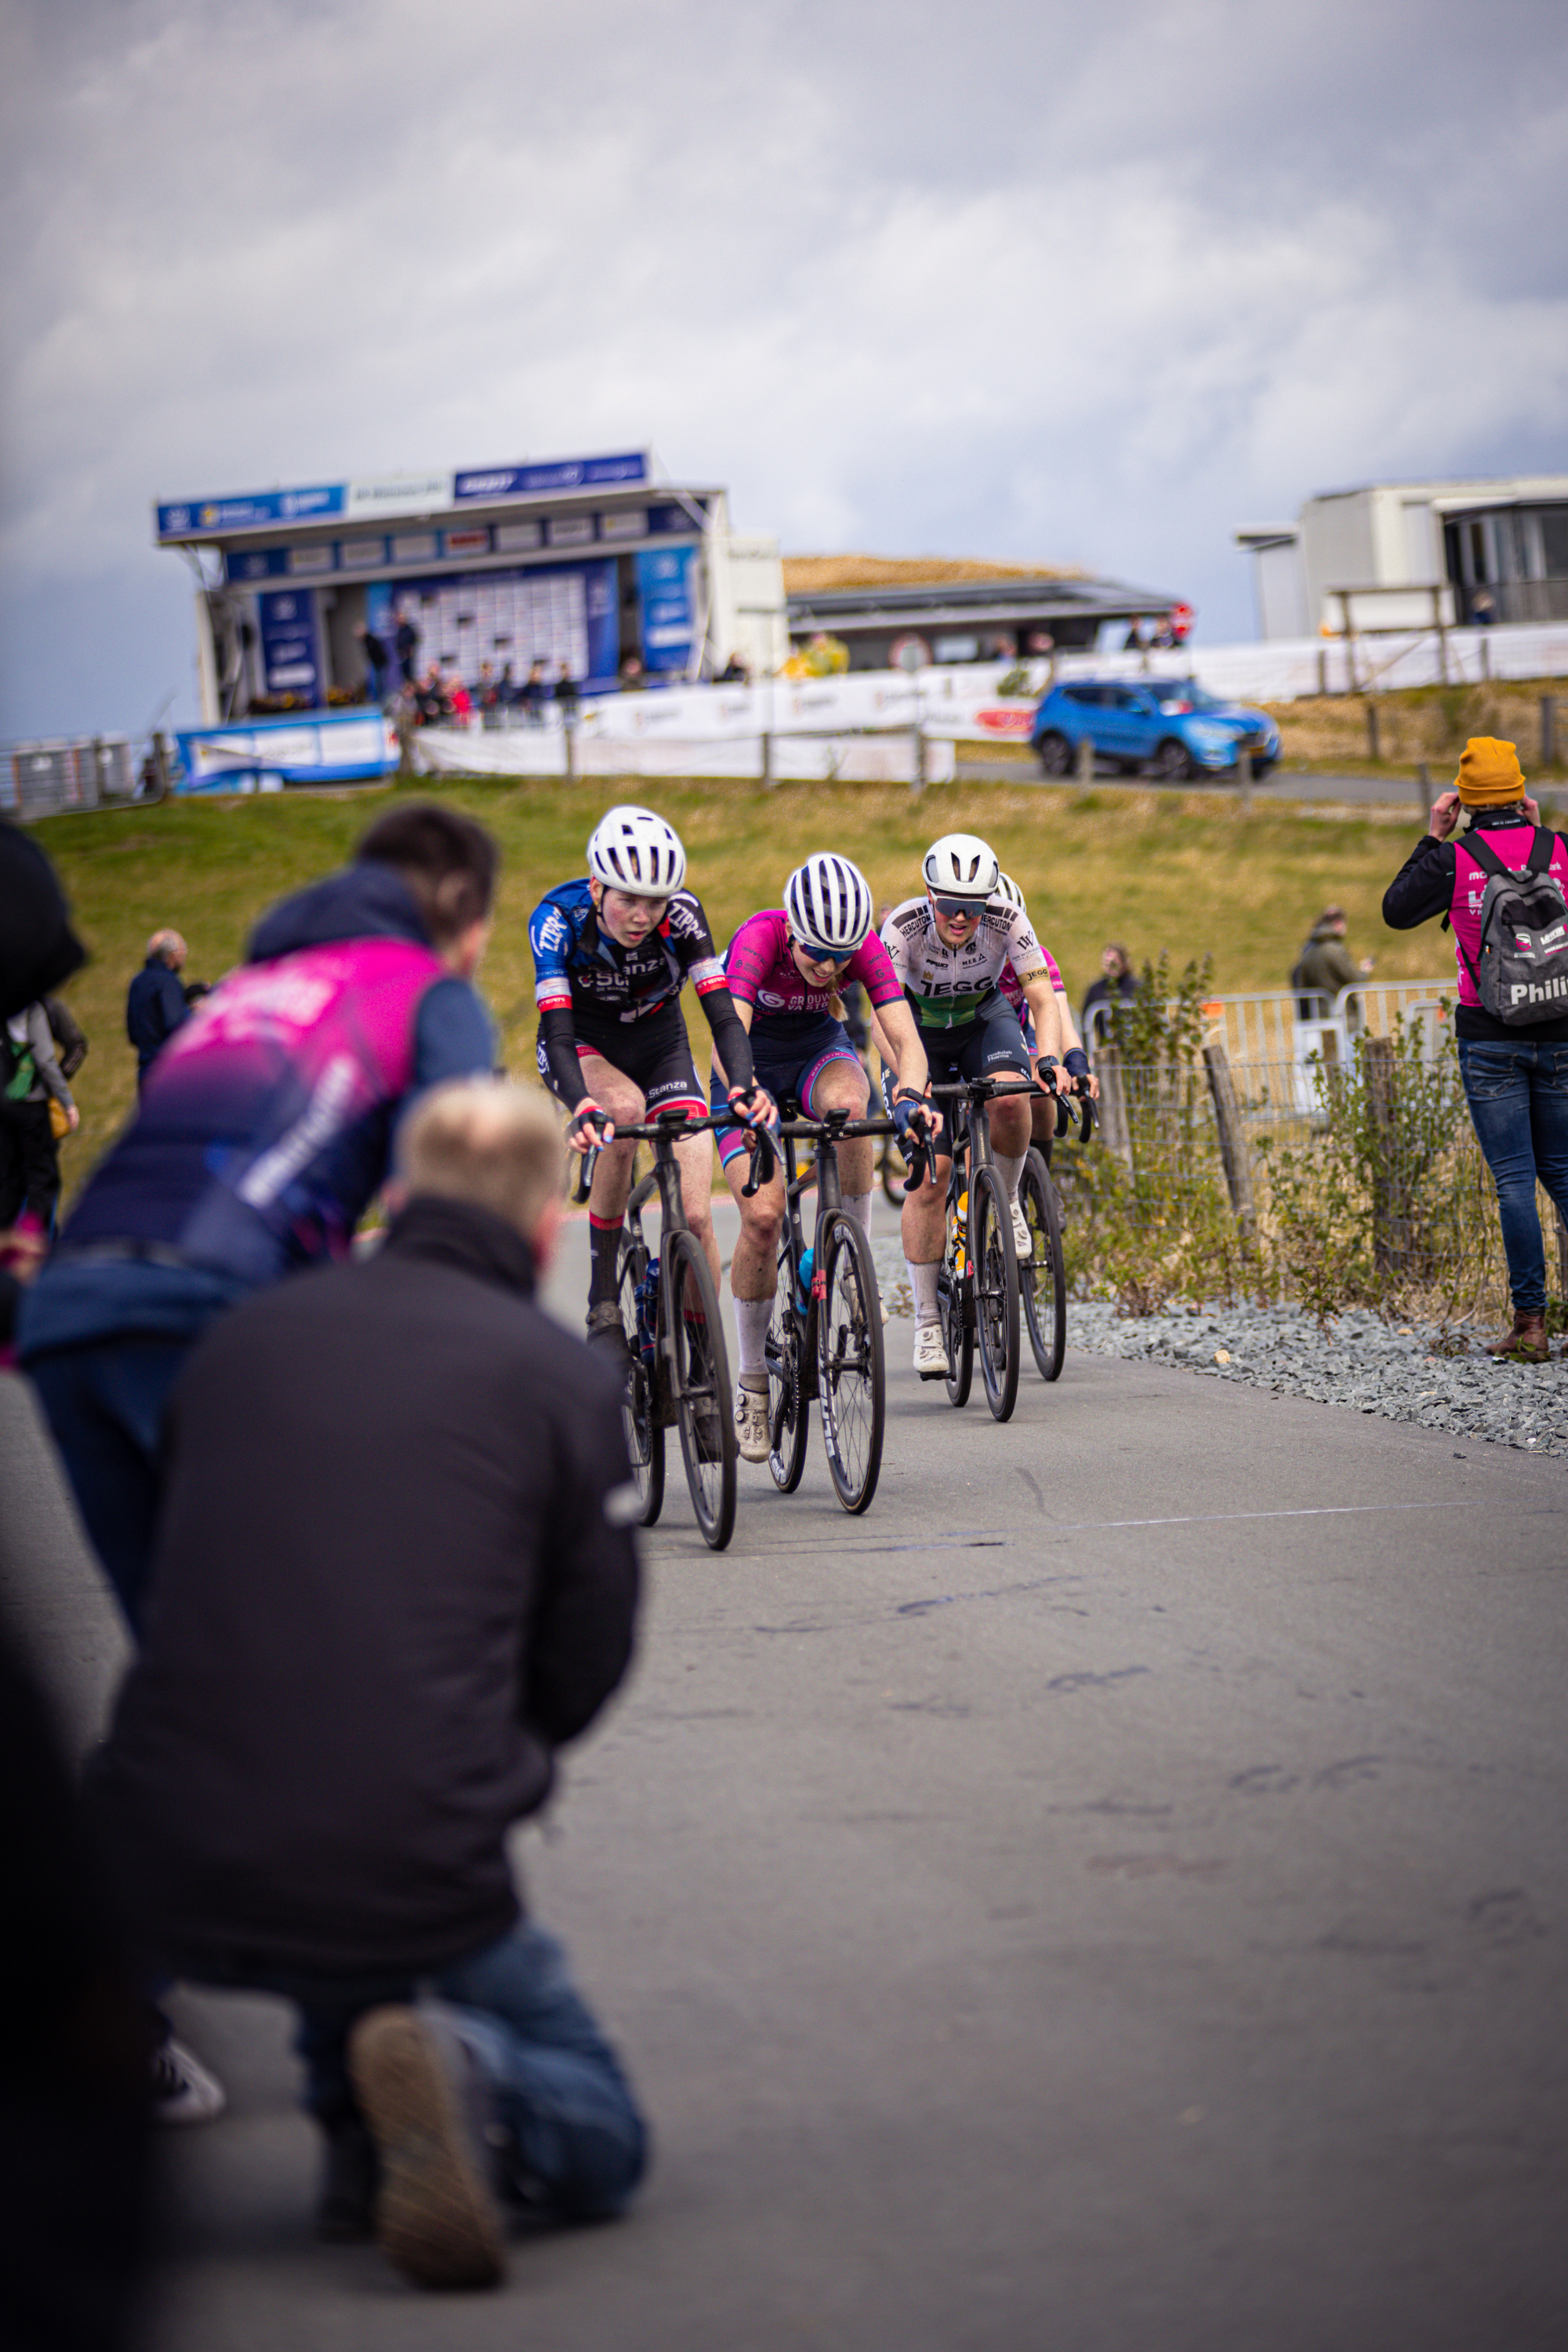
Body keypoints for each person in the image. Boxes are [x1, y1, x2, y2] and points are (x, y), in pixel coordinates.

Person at [88, 1080, 647, 2288]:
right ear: (544, 1222)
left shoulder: (243, 1340)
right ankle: (465, 2079)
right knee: (603, 2131)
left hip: (169, 1850)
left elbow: (174, 1568)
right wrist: (499, 1758)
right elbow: (591, 1642)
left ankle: (362, 2129)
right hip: (408, 1848)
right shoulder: (560, 1382)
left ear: (396, 1196)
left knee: (342, 1914)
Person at [20, 802, 499, 1635]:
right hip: (217, 1310)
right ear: (459, 899)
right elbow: (443, 1191)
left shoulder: (246, 989)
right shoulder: (424, 991)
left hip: (66, 1316)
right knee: (315, 1641)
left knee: (185, 1661)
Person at [710, 857, 934, 1461]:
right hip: (745, 1061)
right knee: (762, 1218)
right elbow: (730, 1032)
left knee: (852, 1106)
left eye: (841, 957)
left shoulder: (860, 949)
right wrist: (744, 1092)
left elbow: (906, 1041)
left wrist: (910, 1097)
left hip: (814, 1053)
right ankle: (753, 1378)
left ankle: (850, 1258)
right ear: (793, 930)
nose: (829, 968)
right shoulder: (760, 937)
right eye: (817, 955)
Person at [528, 806, 771, 1348]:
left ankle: (704, 1357)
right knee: (623, 1112)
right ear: (596, 887)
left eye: (654, 902)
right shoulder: (556, 921)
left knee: (695, 1214)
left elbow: (724, 1015)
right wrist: (581, 1105)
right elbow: (559, 1035)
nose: (642, 916)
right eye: (628, 900)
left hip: (661, 1046)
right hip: (585, 1047)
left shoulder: (683, 917)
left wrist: (742, 1084)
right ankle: (603, 1303)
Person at [1383, 735, 1568, 1362]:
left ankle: (1531, 1326)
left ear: (1462, 801)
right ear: (1519, 793)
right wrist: (1542, 835)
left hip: (1490, 1035)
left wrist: (1434, 836)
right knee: (1565, 1173)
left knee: (1515, 1179)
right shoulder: (1560, 851)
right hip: (1563, 1030)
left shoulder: (1454, 860)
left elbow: (1395, 911)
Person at [877, 833, 1080, 1377]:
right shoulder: (902, 928)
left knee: (1014, 1100)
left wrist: (1052, 1059)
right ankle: (926, 1322)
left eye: (973, 907)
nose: (962, 918)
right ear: (928, 895)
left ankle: (1007, 1199)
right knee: (932, 1175)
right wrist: (906, 1084)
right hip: (916, 1033)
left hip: (980, 1023)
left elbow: (1043, 997)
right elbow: (882, 1016)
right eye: (950, 906)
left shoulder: (1009, 919)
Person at [992, 873, 1086, 1160]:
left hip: (1018, 1034)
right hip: (974, 1037)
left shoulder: (1035, 955)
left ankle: (1041, 1183)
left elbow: (1056, 1014)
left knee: (1041, 1088)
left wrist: (1077, 1064)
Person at [1, 1000, 79, 1234]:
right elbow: (45, 1058)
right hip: (30, 1102)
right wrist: (66, 1100)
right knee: (41, 1178)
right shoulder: (32, 1006)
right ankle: (33, 1241)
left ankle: (5, 1242)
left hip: (3, 1105)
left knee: (8, 1178)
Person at [125, 929, 190, 1084]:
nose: (184, 957)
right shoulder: (168, 981)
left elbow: (133, 1034)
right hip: (169, 1074)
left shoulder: (138, 982)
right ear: (172, 955)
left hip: (145, 1073)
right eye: (183, 951)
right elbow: (176, 1025)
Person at [1290, 906, 1373, 1014]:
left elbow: (1297, 979)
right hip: (1340, 1014)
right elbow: (1355, 979)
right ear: (1338, 923)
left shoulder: (1308, 949)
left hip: (1315, 1014)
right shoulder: (1334, 949)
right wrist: (1365, 971)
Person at [1080, 942, 1139, 1037]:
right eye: (1107, 963)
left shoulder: (1137, 987)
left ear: (1124, 963)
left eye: (1114, 962)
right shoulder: (1095, 990)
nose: (1111, 967)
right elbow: (1085, 1024)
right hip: (1107, 1046)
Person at [358, 620, 390, 704]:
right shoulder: (366, 641)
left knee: (381, 682)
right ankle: (379, 699)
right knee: (378, 682)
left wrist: (379, 662)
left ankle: (382, 700)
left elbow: (378, 652)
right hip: (377, 664)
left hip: (380, 663)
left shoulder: (370, 640)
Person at [394, 608, 420, 684]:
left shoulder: (409, 629)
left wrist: (410, 649)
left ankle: (411, 687)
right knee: (404, 675)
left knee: (410, 674)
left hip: (408, 655)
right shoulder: (400, 630)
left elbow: (415, 639)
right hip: (402, 656)